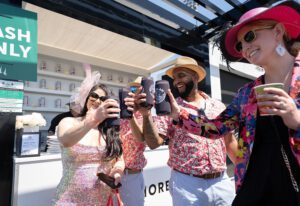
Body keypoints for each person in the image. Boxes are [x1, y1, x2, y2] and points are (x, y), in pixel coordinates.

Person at [173, 1, 300, 205]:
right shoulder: (246, 94)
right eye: (240, 45)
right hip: (254, 191)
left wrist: (297, 121)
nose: (245, 48)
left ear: (278, 31)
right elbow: (215, 128)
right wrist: (177, 115)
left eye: (249, 36)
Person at [132, 56, 237, 206]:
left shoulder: (217, 106)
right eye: (174, 78)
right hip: (187, 184)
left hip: (221, 181)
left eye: (181, 75)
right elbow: (154, 143)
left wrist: (244, 169)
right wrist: (146, 114)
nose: (176, 81)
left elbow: (230, 141)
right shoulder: (170, 109)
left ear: (195, 76)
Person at [52, 71, 125, 206]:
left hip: (100, 201)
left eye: (102, 99)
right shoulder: (68, 122)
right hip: (69, 200)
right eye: (94, 96)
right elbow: (66, 140)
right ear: (85, 98)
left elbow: (120, 160)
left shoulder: (109, 131)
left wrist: (117, 172)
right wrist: (92, 120)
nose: (98, 101)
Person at [119, 76, 147, 206]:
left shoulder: (145, 114)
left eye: (137, 89)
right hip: (116, 173)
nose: (134, 92)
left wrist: (131, 116)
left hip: (133, 175)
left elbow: (141, 138)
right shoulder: (120, 113)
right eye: (132, 88)